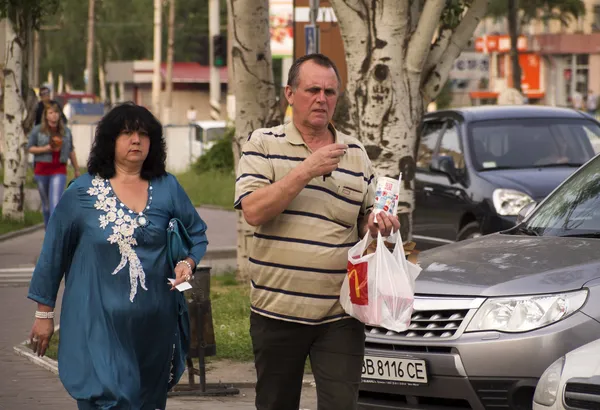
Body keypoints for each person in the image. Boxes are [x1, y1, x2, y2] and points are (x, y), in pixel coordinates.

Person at [234, 53, 400, 410]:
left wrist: (378, 224)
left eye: (329, 91)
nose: (322, 98)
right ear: (290, 94)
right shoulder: (263, 143)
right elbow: (253, 210)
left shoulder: (355, 153)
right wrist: (305, 170)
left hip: (340, 314)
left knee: (342, 404)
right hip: (277, 312)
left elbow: (366, 219)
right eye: (312, 90)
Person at [27, 102, 209, 409]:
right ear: (110, 141)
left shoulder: (168, 187)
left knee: (147, 400)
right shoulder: (82, 192)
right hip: (98, 324)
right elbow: (53, 254)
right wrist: (44, 315)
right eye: (127, 133)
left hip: (155, 324)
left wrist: (187, 263)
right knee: (110, 397)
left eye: (143, 133)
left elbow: (197, 235)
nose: (136, 139)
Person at [27, 101, 81, 228]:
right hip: (42, 170)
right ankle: (48, 231)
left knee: (55, 204)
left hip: (59, 170)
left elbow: (71, 150)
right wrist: (45, 148)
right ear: (46, 115)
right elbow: (30, 148)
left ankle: (54, 234)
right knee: (46, 206)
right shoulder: (38, 130)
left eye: (56, 112)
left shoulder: (66, 131)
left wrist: (77, 169)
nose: (54, 115)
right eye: (51, 112)